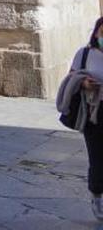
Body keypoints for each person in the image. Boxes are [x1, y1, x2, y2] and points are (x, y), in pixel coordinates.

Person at [58, 17, 103, 220]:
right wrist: (84, 83)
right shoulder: (84, 54)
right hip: (94, 114)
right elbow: (71, 77)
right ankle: (97, 195)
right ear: (96, 34)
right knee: (98, 158)